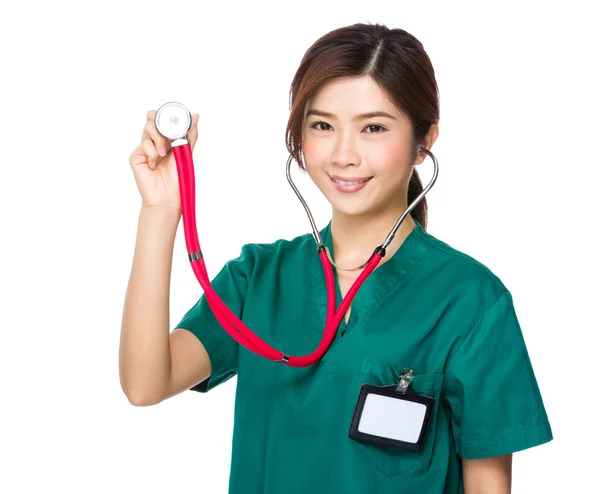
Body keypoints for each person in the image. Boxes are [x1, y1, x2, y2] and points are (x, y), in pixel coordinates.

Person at [120, 22, 552, 494]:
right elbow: (145, 384)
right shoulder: (258, 279)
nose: (344, 155)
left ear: (424, 140)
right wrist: (160, 211)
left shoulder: (471, 302)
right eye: (323, 125)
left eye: (373, 128)